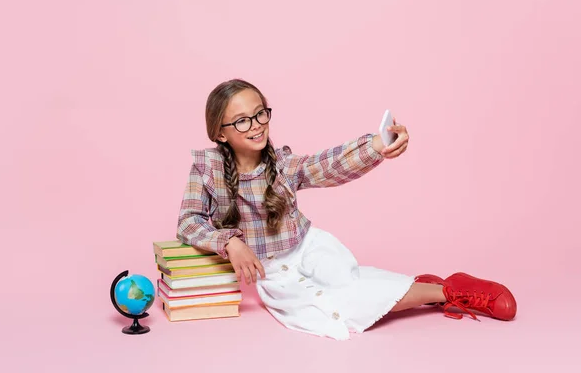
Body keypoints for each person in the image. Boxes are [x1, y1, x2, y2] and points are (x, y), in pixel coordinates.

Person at [176, 78, 517, 340]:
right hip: (271, 272)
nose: (257, 125)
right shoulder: (207, 168)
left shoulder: (283, 165)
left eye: (260, 113)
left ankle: (449, 290)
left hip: (307, 247)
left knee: (346, 284)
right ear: (219, 134)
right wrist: (230, 242)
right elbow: (189, 222)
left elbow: (329, 164)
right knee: (323, 311)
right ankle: (422, 289)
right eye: (242, 121)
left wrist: (376, 146)